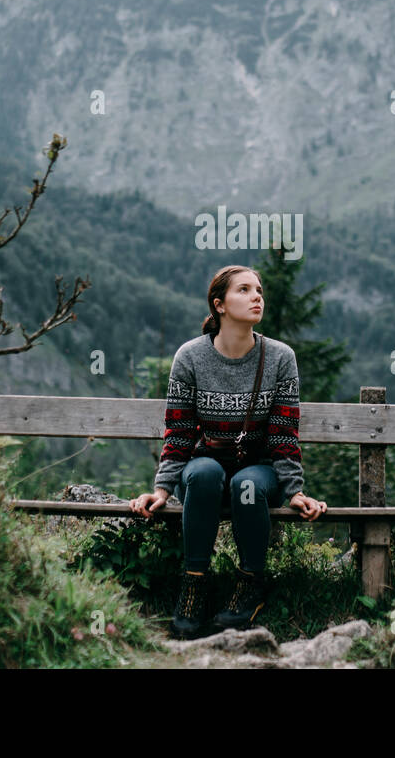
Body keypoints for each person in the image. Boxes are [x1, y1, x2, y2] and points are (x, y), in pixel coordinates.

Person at [129, 265, 327, 639]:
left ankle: (251, 582)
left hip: (258, 468)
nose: (257, 297)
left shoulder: (280, 357)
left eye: (259, 290)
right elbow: (180, 432)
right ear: (219, 305)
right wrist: (161, 490)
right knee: (203, 474)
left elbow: (284, 434)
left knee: (247, 485)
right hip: (205, 468)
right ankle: (195, 584)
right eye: (244, 290)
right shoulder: (190, 357)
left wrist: (294, 491)